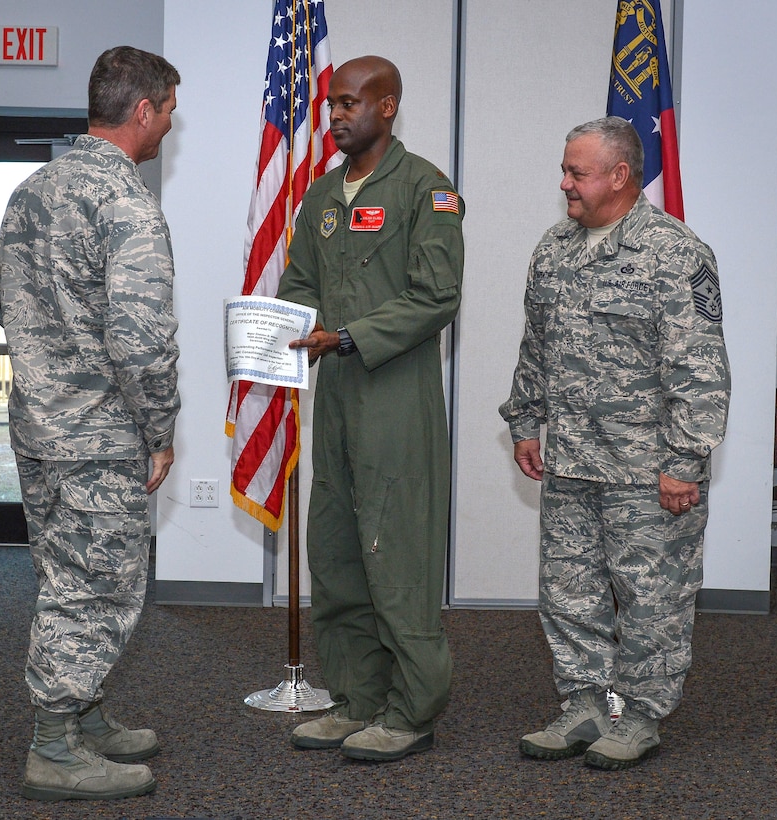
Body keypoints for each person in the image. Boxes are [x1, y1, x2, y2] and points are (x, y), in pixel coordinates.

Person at [499, 116, 730, 770]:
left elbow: (700, 369)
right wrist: (524, 418)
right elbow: (536, 345)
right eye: (565, 170)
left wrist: (683, 462)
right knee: (568, 592)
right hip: (572, 458)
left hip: (645, 468)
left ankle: (642, 713)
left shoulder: (673, 253)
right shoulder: (553, 248)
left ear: (619, 175)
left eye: (576, 172)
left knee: (651, 596)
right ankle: (583, 703)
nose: (564, 183)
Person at [0, 45, 181, 801]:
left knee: (65, 576)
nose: (168, 123)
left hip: (38, 428)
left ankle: (87, 711)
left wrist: (45, 353)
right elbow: (140, 341)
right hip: (99, 439)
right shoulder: (126, 203)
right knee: (94, 588)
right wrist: (158, 430)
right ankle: (54, 746)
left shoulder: (34, 189)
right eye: (167, 110)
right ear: (141, 111)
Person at [277, 55, 464, 762]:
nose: (336, 116)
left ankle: (411, 709)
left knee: (397, 558)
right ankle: (354, 698)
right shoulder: (322, 195)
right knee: (336, 552)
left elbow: (434, 296)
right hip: (335, 398)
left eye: (350, 103)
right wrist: (276, 331)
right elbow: (298, 281)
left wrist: (350, 335)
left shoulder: (426, 190)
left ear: (387, 106)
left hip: (395, 396)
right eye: (330, 105)